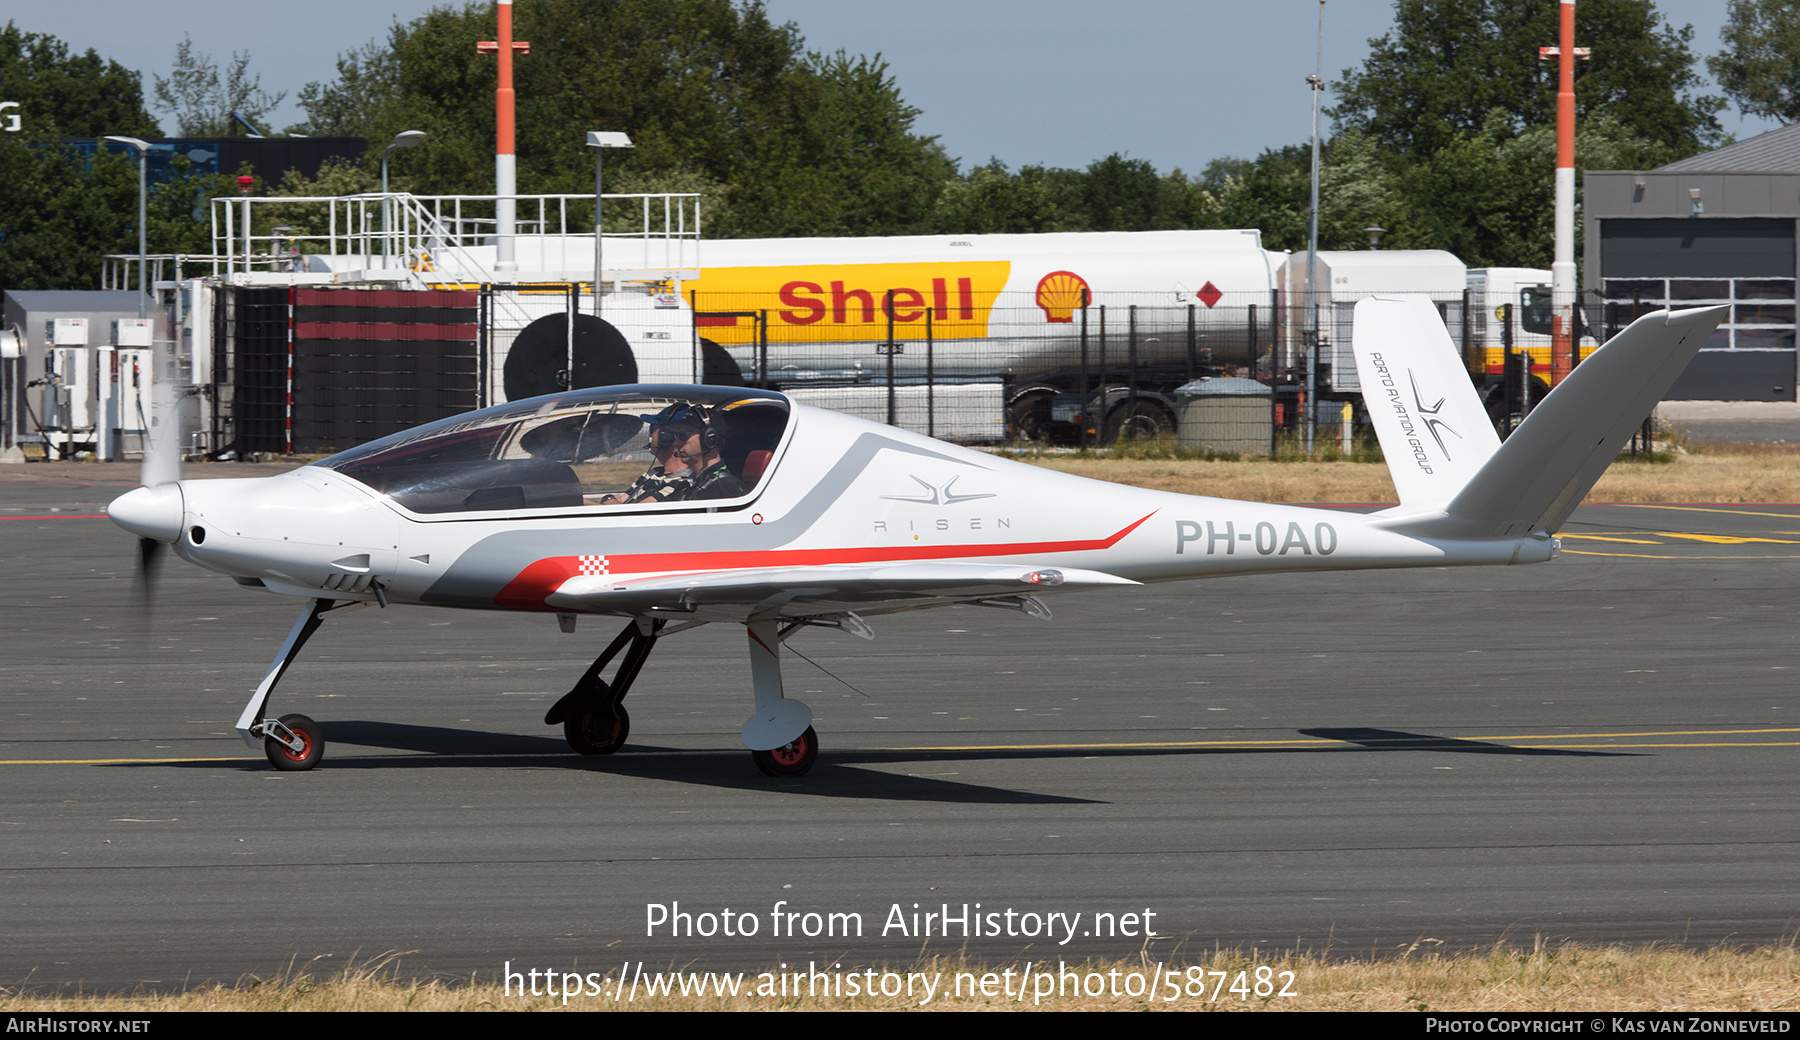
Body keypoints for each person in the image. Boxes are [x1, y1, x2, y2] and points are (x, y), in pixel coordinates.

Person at [589, 404, 695, 505]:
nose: (650, 435)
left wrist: (606, 502)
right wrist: (608, 499)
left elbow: (629, 513)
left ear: (666, 437)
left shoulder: (681, 482)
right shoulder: (652, 474)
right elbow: (620, 500)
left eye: (652, 429)